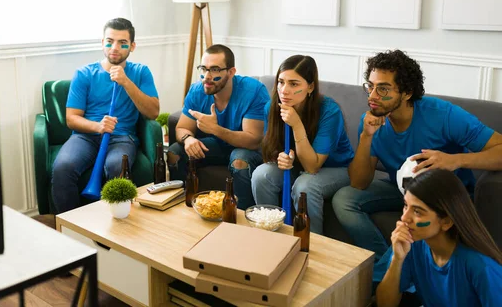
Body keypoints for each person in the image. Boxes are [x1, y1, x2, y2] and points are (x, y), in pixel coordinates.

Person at [332, 49, 502, 261]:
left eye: (383, 89)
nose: (373, 96)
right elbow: (358, 183)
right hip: (402, 189)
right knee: (344, 198)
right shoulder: (372, 121)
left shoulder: (443, 115)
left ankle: (388, 272)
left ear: (407, 92)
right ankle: (379, 263)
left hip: (445, 197)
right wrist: (366, 137)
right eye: (371, 86)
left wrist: (455, 160)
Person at [51, 18, 159, 213]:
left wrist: (126, 82)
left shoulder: (141, 72)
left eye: (122, 43)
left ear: (132, 46)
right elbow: (71, 118)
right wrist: (97, 126)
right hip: (85, 137)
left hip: (122, 138)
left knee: (116, 166)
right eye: (109, 41)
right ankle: (70, 228)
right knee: (62, 167)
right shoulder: (84, 74)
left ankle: (115, 228)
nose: (114, 47)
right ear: (102, 43)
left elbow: (153, 111)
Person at [251, 55, 354, 234]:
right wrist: (281, 157)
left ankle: (310, 244)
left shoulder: (330, 111)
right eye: (280, 82)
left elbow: (312, 166)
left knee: (305, 186)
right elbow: (270, 149)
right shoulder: (272, 107)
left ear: (310, 87)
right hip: (297, 165)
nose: (284, 90)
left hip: (336, 168)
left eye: (294, 84)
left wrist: (297, 124)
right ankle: (270, 233)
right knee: (261, 175)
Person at [375, 169, 502, 307]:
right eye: (406, 205)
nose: (404, 217)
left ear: (446, 221)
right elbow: (384, 304)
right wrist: (397, 260)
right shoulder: (411, 244)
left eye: (417, 211)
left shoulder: (480, 266)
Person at [167, 45, 269, 209]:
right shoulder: (197, 90)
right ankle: (182, 208)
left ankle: (240, 216)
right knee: (174, 152)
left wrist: (215, 129)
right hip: (217, 146)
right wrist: (188, 139)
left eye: (215, 70)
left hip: (247, 149)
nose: (207, 76)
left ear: (231, 72)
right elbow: (182, 128)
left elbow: (253, 140)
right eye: (204, 69)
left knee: (239, 160)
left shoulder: (253, 91)